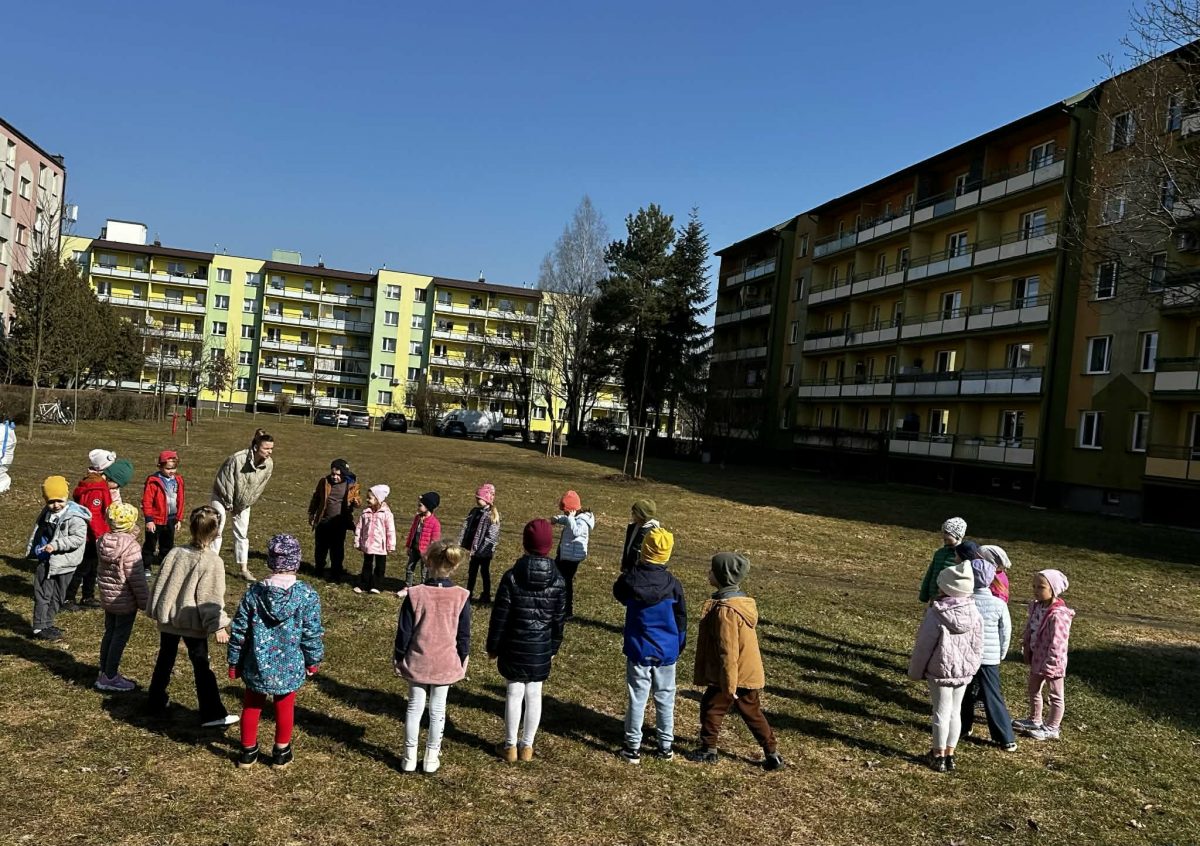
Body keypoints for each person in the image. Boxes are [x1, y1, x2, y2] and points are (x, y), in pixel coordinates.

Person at [229, 534, 324, 769]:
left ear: (271, 561)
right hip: (289, 664)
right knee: (285, 706)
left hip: (256, 662)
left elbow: (239, 630)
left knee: (252, 705)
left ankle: (248, 751)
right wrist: (313, 660)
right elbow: (311, 633)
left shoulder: (254, 593)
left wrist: (234, 661)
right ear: (296, 562)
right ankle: (281, 751)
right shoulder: (307, 595)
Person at [689, 552, 784, 770]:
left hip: (731, 674)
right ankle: (772, 753)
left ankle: (708, 750)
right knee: (752, 712)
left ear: (722, 577)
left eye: (712, 570)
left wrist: (729, 686)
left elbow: (728, 651)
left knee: (712, 708)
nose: (708, 573)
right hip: (746, 672)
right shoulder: (740, 603)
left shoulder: (726, 611)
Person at [145, 505, 238, 728]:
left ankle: (154, 702)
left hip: (170, 619)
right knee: (201, 665)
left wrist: (157, 609)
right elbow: (210, 597)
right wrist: (218, 625)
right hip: (191, 623)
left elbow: (161, 584)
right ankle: (212, 713)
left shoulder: (175, 553)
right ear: (216, 532)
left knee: (165, 660)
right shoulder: (211, 561)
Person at [486, 519, 566, 763]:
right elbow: (559, 619)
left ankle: (510, 745)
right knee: (534, 693)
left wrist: (493, 646)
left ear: (525, 543)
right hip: (540, 646)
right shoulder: (559, 580)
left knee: (514, 692)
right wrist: (553, 646)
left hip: (514, 644)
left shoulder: (511, 577)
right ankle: (527, 746)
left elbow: (500, 616)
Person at [393, 540, 471, 774]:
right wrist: (463, 657)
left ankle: (409, 757)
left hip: (418, 661)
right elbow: (464, 635)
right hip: (445, 662)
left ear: (427, 561)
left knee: (414, 708)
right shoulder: (461, 596)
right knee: (438, 711)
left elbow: (404, 631)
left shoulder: (415, 594)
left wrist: (398, 656)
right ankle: (431, 757)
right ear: (454, 566)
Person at [613, 526, 685, 764]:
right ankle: (665, 746)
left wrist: (634, 567)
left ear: (643, 551)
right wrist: (679, 643)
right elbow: (681, 618)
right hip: (667, 651)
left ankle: (633, 746)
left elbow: (618, 592)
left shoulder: (631, 580)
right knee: (665, 697)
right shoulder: (673, 585)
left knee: (638, 697)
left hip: (639, 648)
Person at [908, 560, 984, 772]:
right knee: (955, 711)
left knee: (940, 712)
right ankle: (950, 753)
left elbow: (924, 646)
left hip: (940, 670)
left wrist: (915, 671)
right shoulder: (975, 614)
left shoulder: (936, 614)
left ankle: (938, 754)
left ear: (945, 588)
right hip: (963, 671)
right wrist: (972, 667)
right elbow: (979, 645)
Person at [956, 543, 1016, 751]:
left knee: (963, 693)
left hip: (966, 655)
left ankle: (962, 727)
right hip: (989, 659)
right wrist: (1001, 654)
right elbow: (1005, 631)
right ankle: (1006, 738)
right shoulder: (999, 605)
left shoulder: (963, 601)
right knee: (993, 695)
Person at [27, 476, 91, 641]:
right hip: (46, 561)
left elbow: (78, 538)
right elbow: (39, 532)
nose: (55, 505)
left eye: (59, 501)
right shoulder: (46, 513)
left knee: (58, 595)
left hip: (65, 562)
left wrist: (56, 545)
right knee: (43, 594)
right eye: (51, 501)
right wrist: (36, 548)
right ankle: (39, 627)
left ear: (66, 497)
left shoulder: (75, 517)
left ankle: (48, 623)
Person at [1014, 569, 1075, 742]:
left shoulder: (1059, 615)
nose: (1036, 590)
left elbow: (1059, 643)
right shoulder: (1036, 607)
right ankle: (1035, 719)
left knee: (1055, 695)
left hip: (1053, 661)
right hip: (1037, 657)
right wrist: (1027, 644)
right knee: (1033, 688)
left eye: (1041, 587)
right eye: (1034, 586)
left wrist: (1052, 663)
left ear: (1053, 589)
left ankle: (1052, 728)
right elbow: (1031, 627)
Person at [96, 502, 149, 692]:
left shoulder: (102, 541)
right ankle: (110, 676)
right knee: (119, 637)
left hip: (108, 597)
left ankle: (104, 670)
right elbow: (137, 578)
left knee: (110, 633)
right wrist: (145, 602)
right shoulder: (131, 548)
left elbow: (120, 542)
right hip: (124, 600)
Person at [211, 429, 275, 581]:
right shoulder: (237, 459)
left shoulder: (269, 465)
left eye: (271, 448)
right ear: (256, 447)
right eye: (266, 448)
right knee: (217, 530)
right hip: (222, 496)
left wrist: (245, 503)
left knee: (241, 534)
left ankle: (243, 569)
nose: (269, 452)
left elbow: (259, 488)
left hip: (243, 502)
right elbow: (225, 481)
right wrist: (229, 503)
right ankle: (211, 565)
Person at [66, 448, 117, 610]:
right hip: (90, 535)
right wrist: (98, 535)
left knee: (93, 567)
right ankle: (68, 597)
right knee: (82, 567)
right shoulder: (96, 489)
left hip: (95, 533)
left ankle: (88, 596)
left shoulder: (97, 484)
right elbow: (92, 515)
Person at [307, 458, 360, 583]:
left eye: (338, 475)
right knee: (321, 547)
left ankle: (336, 571)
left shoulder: (351, 485)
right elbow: (316, 497)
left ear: (344, 474)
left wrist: (356, 502)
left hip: (339, 523)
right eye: (333, 474)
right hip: (323, 521)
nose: (335, 477)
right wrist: (312, 513)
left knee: (337, 549)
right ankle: (319, 568)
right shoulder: (324, 482)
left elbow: (357, 500)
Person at [551, 490, 593, 620]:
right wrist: (557, 519)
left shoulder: (582, 522)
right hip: (565, 554)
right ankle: (557, 604)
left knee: (565, 582)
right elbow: (567, 521)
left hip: (572, 558)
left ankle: (567, 610)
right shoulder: (574, 518)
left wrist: (570, 518)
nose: (565, 514)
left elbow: (576, 532)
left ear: (572, 510)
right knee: (556, 576)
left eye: (566, 512)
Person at [142, 450, 185, 575]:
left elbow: (181, 499)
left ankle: (164, 563)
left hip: (171, 518)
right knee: (150, 543)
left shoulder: (178, 480)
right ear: (160, 467)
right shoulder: (153, 481)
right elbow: (147, 501)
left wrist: (178, 518)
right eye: (168, 468)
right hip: (156, 519)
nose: (171, 471)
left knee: (168, 543)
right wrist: (149, 520)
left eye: (174, 468)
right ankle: (146, 565)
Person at [459, 483, 500, 604]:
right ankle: (469, 593)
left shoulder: (491, 515)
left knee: (484, 572)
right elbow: (466, 527)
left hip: (483, 552)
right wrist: (461, 542)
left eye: (479, 498)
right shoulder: (475, 512)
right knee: (472, 572)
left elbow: (491, 536)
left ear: (486, 499)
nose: (477, 500)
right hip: (474, 550)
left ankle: (486, 594)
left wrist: (481, 551)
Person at [354, 484, 396, 594]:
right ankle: (363, 584)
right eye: (367, 497)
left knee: (380, 567)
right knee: (367, 565)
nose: (367, 500)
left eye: (370, 498)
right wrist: (358, 541)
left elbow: (390, 530)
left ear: (378, 499)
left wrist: (391, 545)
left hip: (380, 546)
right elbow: (359, 528)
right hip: (368, 544)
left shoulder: (386, 514)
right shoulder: (365, 513)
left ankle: (377, 586)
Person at [918, 516, 967, 604]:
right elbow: (930, 573)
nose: (943, 536)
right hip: (933, 597)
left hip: (950, 600)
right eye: (943, 532)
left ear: (957, 536)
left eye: (947, 533)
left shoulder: (962, 556)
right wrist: (924, 594)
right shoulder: (940, 553)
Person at [404, 492, 442, 588]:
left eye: (420, 505)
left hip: (426, 552)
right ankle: (408, 586)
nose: (418, 506)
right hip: (414, 549)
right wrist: (408, 546)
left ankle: (424, 587)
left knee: (424, 571)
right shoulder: (417, 518)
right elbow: (412, 532)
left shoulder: (435, 523)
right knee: (409, 568)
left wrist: (431, 553)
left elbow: (435, 540)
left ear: (428, 507)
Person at [621, 499, 660, 572]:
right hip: (629, 568)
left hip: (640, 571)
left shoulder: (652, 533)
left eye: (634, 513)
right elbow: (628, 547)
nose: (632, 515)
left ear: (642, 515)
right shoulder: (634, 527)